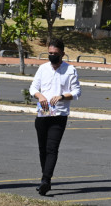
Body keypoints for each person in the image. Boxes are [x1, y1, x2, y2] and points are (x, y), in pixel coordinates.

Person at [30, 38, 81, 196]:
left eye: (55, 54)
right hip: (43, 113)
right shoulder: (43, 68)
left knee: (52, 148)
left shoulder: (70, 70)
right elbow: (33, 87)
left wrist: (62, 96)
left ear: (62, 54)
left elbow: (76, 92)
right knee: (42, 149)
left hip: (59, 114)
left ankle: (45, 180)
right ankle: (47, 179)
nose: (52, 56)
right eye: (50, 53)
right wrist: (39, 96)